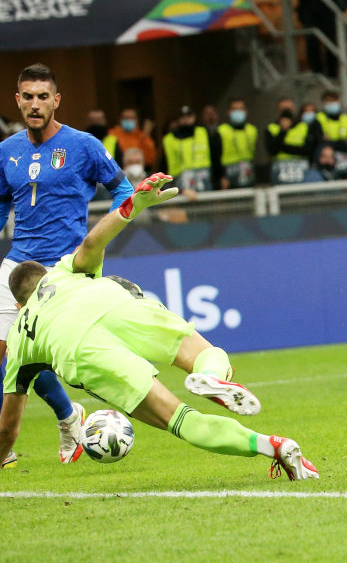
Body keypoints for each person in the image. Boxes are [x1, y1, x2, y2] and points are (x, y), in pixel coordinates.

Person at [0, 173, 319, 480]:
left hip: (82, 349)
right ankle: (210, 376)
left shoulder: (18, 339)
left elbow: (8, 428)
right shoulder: (61, 272)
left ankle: (274, 446)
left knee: (181, 420)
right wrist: (131, 206)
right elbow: (91, 244)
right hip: (116, 304)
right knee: (206, 353)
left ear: (18, 305)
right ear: (44, 274)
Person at [0, 64, 136, 468]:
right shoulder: (7, 151)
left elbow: (123, 189)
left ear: (56, 101)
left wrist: (97, 241)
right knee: (9, 352)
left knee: (34, 355)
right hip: (15, 266)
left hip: (61, 271)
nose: (35, 104)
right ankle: (53, 423)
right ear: (17, 101)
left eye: (44, 96)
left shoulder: (84, 146)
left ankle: (67, 416)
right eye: (28, 96)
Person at [163, 105, 217, 193]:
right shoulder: (170, 139)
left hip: (204, 177)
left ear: (194, 117)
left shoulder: (203, 132)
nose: (186, 119)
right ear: (178, 119)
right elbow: (166, 164)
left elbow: (215, 155)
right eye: (183, 117)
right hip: (181, 181)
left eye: (189, 116)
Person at [267, 103, 319, 184]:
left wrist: (283, 148)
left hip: (301, 170)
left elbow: (307, 150)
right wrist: (283, 131)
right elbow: (272, 150)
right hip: (280, 171)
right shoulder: (271, 128)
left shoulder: (304, 127)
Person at [216, 99, 257, 189]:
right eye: (235, 109)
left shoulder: (252, 130)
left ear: (246, 111)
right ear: (229, 112)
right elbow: (216, 155)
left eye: (241, 109)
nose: (238, 112)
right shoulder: (221, 131)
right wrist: (221, 176)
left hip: (248, 174)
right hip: (229, 175)